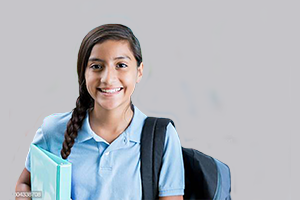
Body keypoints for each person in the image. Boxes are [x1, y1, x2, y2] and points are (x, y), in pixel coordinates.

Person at [15, 24, 185, 200]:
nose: (108, 78)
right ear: (83, 74)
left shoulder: (162, 136)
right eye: (96, 66)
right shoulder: (53, 130)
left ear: (139, 72)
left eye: (121, 65)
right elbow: (23, 186)